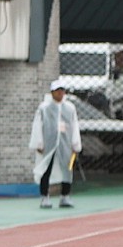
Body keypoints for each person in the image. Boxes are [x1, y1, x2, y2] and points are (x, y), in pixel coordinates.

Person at [29, 80, 82, 208]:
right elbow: (37, 125)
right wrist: (39, 143)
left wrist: (76, 144)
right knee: (46, 169)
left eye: (62, 90)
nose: (60, 93)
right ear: (52, 92)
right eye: (58, 91)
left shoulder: (69, 108)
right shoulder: (44, 108)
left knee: (67, 169)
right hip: (49, 144)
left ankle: (65, 196)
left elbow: (74, 126)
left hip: (65, 144)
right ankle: (44, 197)